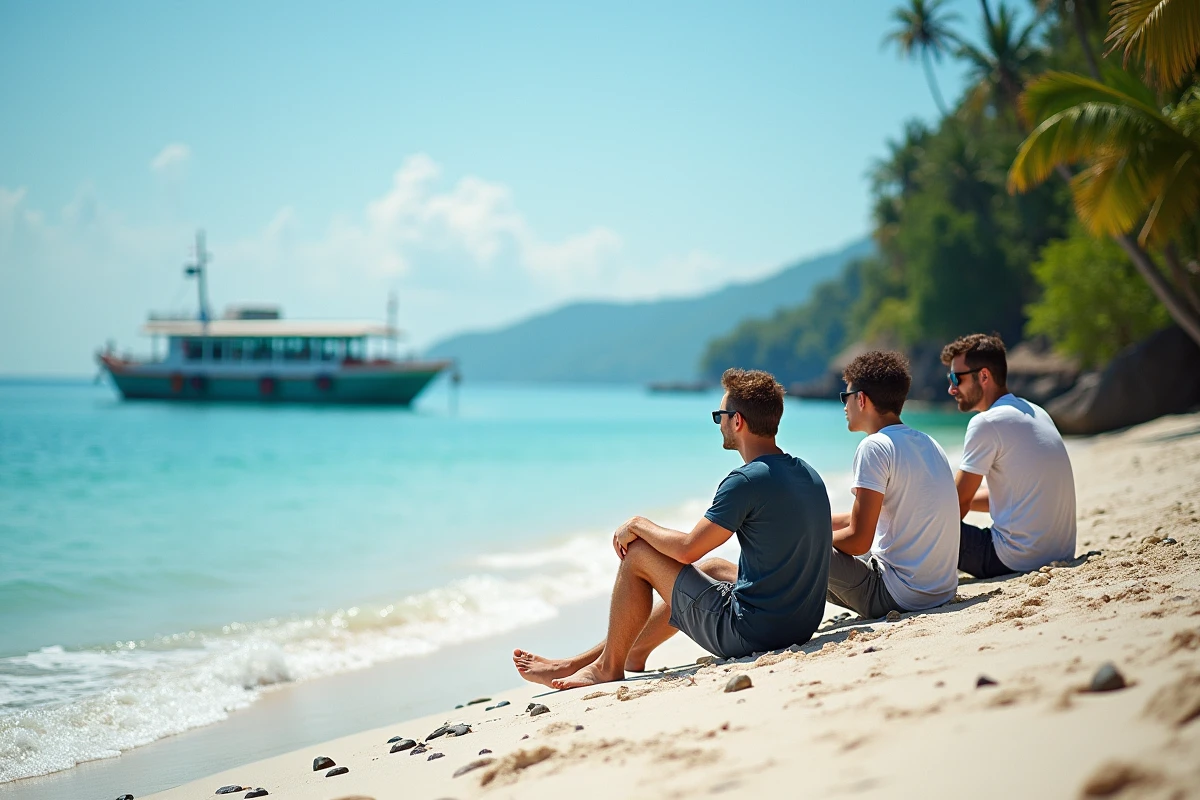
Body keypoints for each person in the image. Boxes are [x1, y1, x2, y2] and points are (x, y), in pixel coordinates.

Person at [513, 368, 831, 689]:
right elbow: (702, 556)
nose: (719, 422)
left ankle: (609, 667)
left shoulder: (746, 481)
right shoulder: (806, 472)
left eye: (720, 415)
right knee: (713, 568)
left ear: (737, 421)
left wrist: (637, 523)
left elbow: (688, 548)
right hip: (799, 625)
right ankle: (628, 652)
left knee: (638, 554)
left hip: (752, 634)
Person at [828, 351, 959, 619]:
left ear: (861, 399)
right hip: (941, 590)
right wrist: (816, 523)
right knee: (806, 550)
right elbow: (881, 518)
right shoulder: (928, 443)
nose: (844, 406)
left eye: (846, 397)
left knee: (795, 550)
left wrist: (808, 541)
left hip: (898, 596)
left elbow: (857, 541)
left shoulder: (874, 447)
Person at [941, 333, 1077, 578]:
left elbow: (955, 507)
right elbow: (1020, 496)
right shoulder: (1036, 412)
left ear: (983, 376)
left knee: (920, 523)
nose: (951, 389)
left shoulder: (986, 423)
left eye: (955, 378)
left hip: (1014, 558)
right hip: (1060, 552)